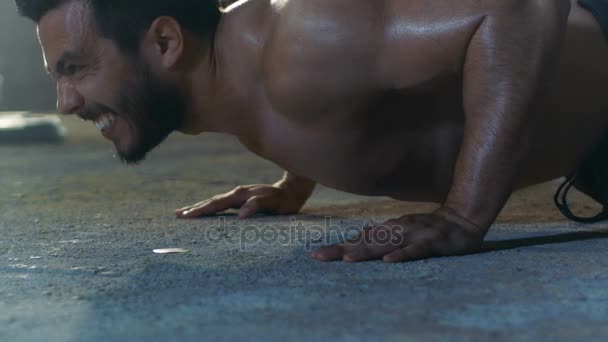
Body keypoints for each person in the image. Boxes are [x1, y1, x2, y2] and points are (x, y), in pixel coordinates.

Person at [16, 0, 608, 262]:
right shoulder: (237, 84)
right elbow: (336, 102)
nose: (66, 102)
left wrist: (463, 217)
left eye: (75, 69)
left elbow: (519, 10)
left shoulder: (305, 43)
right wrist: (294, 183)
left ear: (165, 42)